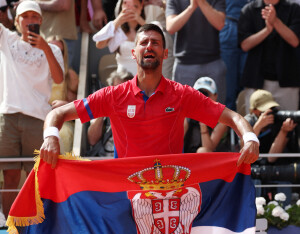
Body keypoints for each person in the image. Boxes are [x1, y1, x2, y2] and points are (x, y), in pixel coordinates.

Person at [40, 23, 259, 169]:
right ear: (133, 52)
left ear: (165, 53)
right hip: (127, 191)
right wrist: (51, 137)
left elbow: (233, 117)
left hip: (171, 194)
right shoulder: (113, 95)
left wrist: (250, 138)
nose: (149, 46)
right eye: (143, 42)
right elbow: (58, 114)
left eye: (155, 43)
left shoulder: (182, 94)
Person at [0, 0, 64, 218]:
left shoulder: (53, 48)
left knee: (35, 177)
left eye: (34, 17)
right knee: (9, 176)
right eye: (24, 17)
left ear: (41, 21)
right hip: (8, 116)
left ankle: (36, 225)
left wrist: (44, 47)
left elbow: (58, 78)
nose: (29, 21)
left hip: (38, 118)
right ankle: (9, 226)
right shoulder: (7, 39)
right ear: (16, 22)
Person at [238, 0, 300, 113]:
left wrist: (275, 21)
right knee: (254, 126)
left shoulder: (294, 9)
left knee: (289, 125)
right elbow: (245, 45)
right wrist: (267, 30)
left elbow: (295, 41)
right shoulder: (249, 9)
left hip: (287, 83)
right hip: (256, 81)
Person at [165, 0, 227, 104]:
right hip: (185, 65)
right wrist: (191, 7)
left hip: (212, 62)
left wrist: (202, 3)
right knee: (183, 111)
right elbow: (170, 27)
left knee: (216, 112)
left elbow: (220, 24)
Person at [244, 89, 298, 201]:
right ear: (254, 111)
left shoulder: (279, 123)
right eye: (264, 111)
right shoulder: (247, 122)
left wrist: (283, 131)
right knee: (254, 179)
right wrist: (258, 126)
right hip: (252, 166)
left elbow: (271, 158)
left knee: (285, 180)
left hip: (273, 166)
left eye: (271, 109)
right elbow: (243, 149)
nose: (270, 114)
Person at [87, 69, 134, 157]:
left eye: (125, 89)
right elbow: (92, 140)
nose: (121, 94)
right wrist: (103, 112)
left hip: (128, 159)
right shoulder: (102, 106)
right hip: (104, 159)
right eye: (117, 89)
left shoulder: (137, 109)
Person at [93, 0, 145, 75]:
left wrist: (140, 20)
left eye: (135, 6)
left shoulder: (150, 26)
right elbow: (99, 44)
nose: (130, 9)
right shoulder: (116, 30)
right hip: (123, 76)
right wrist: (118, 21)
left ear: (141, 6)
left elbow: (159, 39)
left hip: (144, 76)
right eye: (125, 4)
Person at [219, 0, 250, 111]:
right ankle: (226, 125)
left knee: (246, 81)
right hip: (229, 25)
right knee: (229, 85)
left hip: (251, 28)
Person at [184, 77, 229, 153]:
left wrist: (203, 123)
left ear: (215, 96)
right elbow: (173, 142)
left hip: (212, 160)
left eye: (206, 94)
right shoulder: (187, 116)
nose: (203, 98)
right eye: (199, 94)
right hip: (188, 158)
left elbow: (209, 149)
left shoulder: (221, 120)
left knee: (202, 151)